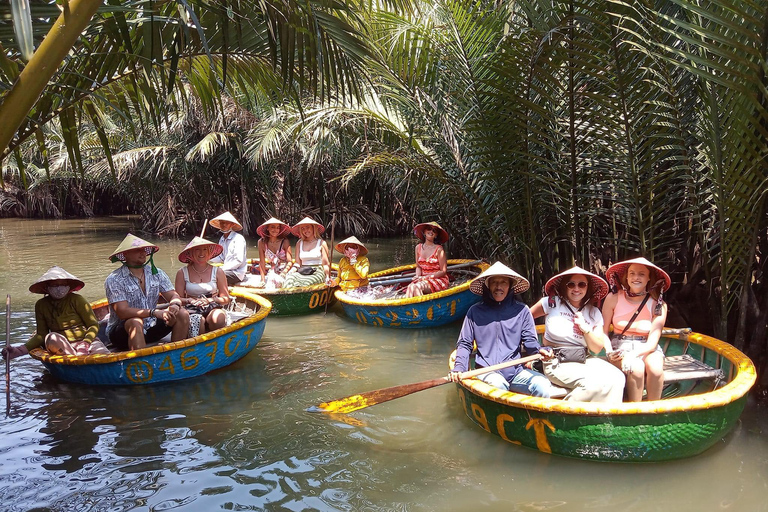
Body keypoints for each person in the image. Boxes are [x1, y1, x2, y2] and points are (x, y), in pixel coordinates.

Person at [449, 262, 554, 397]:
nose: (498, 287)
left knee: (543, 385)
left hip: (516, 371)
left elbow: (530, 341)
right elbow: (464, 343)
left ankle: (538, 418)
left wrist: (540, 350)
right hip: (486, 371)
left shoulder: (522, 311)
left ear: (510, 286)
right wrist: (459, 368)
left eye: (503, 282)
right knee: (498, 385)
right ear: (488, 286)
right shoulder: (474, 312)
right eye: (494, 282)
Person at [530, 266, 625, 402]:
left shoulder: (593, 312)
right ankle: (563, 414)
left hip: (585, 359)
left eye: (582, 285)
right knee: (593, 384)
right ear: (565, 286)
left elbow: (596, 349)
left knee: (617, 377)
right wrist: (532, 346)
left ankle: (605, 417)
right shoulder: (551, 303)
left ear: (588, 288)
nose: (576, 289)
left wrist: (585, 329)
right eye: (571, 284)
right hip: (556, 361)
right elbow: (524, 318)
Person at [2, 266, 110, 360]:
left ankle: (79, 357)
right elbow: (41, 335)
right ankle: (75, 359)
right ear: (47, 288)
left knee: (105, 358)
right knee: (51, 337)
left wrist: (85, 343)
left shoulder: (77, 300)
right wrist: (20, 350)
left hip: (86, 341)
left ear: (68, 286)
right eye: (55, 285)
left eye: (63, 285)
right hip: (61, 346)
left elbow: (93, 324)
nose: (59, 289)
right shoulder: (41, 305)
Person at [104, 234, 190, 351]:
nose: (143, 253)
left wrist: (175, 303)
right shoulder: (114, 279)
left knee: (182, 313)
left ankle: (177, 355)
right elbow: (122, 312)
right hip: (123, 332)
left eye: (144, 250)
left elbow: (173, 295)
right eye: (137, 250)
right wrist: (154, 312)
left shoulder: (157, 273)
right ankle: (141, 365)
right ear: (125, 254)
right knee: (135, 321)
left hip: (151, 325)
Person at [601, 257, 670, 402]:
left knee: (656, 370)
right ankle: (635, 411)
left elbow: (652, 343)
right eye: (632, 273)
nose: (636, 277)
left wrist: (632, 355)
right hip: (620, 346)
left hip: (647, 348)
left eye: (641, 274)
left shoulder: (658, 305)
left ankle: (653, 411)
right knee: (636, 368)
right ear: (627, 277)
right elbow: (603, 332)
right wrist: (608, 352)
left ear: (649, 278)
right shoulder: (613, 298)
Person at [175, 237, 231, 335]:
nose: (201, 253)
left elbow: (226, 299)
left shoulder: (218, 271)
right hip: (191, 309)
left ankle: (215, 341)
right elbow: (177, 299)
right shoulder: (182, 272)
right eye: (197, 249)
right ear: (191, 253)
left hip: (212, 306)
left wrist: (211, 300)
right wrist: (190, 300)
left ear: (209, 252)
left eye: (205, 249)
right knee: (198, 321)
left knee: (218, 318)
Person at [282, 217, 331, 288]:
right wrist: (291, 271)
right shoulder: (299, 243)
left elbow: (326, 264)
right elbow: (297, 263)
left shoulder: (322, 243)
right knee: (289, 281)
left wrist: (327, 276)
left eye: (308, 227)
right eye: (303, 228)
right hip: (303, 270)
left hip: (317, 270)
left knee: (307, 283)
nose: (305, 230)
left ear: (313, 228)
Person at [406, 221, 449, 298]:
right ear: (424, 232)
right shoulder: (418, 248)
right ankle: (411, 309)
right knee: (410, 287)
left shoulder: (439, 249)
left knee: (416, 287)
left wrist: (427, 277)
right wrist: (417, 276)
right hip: (423, 279)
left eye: (434, 231)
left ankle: (420, 309)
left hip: (437, 279)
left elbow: (443, 271)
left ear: (436, 235)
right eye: (429, 229)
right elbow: (418, 266)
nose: (431, 231)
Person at [209, 211, 248, 286]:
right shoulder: (222, 239)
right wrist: (208, 256)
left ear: (232, 224)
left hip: (237, 273)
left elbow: (238, 260)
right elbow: (221, 258)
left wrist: (222, 269)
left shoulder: (238, 238)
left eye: (227, 223)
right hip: (226, 270)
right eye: (222, 222)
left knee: (211, 275)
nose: (224, 225)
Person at [256, 217, 293, 289]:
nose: (275, 230)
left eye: (277, 227)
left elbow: (290, 261)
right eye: (272, 227)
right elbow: (262, 262)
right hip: (273, 271)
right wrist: (262, 280)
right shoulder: (261, 242)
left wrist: (284, 272)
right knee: (270, 283)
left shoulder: (285, 241)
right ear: (267, 228)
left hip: (286, 270)